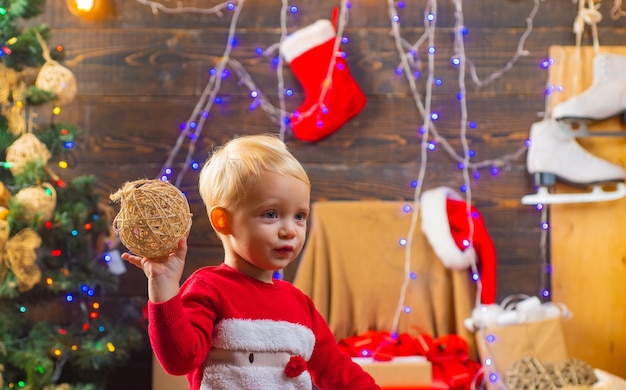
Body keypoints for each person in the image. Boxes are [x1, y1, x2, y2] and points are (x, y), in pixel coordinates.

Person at [122, 133, 379, 389]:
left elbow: (337, 370)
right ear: (224, 221)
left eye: (299, 216)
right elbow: (179, 360)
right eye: (271, 214)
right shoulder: (209, 289)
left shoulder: (301, 305)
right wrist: (163, 285)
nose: (290, 230)